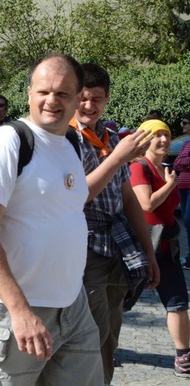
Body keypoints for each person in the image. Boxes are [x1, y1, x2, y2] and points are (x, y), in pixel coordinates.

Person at [0, 54, 103, 385]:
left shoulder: (71, 142)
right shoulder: (9, 141)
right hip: (14, 311)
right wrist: (20, 311)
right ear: (29, 94)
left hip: (72, 305)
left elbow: (67, 208)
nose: (51, 100)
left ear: (77, 98)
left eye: (63, 93)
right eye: (43, 91)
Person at [69, 63, 158, 383]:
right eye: (83, 98)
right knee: (90, 334)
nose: (89, 106)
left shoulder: (108, 136)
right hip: (85, 244)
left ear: (107, 99)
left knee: (109, 338)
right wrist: (119, 156)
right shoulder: (66, 138)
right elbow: (79, 196)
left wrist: (149, 252)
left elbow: (130, 198)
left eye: (96, 99)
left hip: (117, 245)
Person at [129, 119, 190, 378]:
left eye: (166, 134)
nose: (164, 140)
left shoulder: (163, 168)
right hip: (142, 247)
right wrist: (171, 184)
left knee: (178, 303)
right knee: (119, 303)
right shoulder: (138, 167)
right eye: (157, 136)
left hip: (167, 247)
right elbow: (147, 204)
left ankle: (183, 356)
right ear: (145, 139)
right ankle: (101, 345)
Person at [172, 113, 190, 269]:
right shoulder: (185, 144)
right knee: (186, 220)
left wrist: (184, 163)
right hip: (183, 187)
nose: (182, 125)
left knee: (189, 221)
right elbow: (177, 163)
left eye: (185, 122)